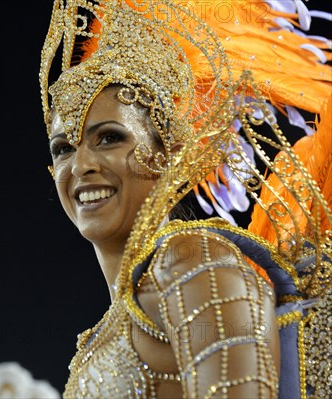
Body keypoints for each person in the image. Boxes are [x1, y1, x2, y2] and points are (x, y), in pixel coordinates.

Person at [39, 0, 331, 398]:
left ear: (171, 153)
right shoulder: (123, 312)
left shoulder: (191, 261)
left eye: (109, 138)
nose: (81, 164)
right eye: (62, 149)